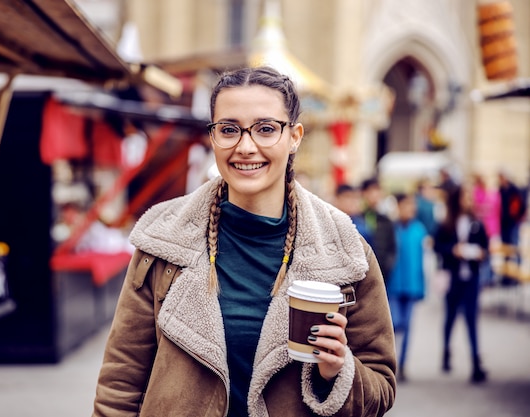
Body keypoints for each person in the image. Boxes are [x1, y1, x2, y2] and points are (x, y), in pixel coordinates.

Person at [92, 66, 396, 417]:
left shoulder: (346, 251)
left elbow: (382, 389)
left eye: (266, 129)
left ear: (294, 136)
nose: (246, 146)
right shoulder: (162, 242)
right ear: (212, 137)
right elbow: (120, 383)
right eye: (229, 130)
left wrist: (338, 371)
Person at [433, 186, 489, 384]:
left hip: (471, 279)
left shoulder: (477, 223)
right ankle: (446, 351)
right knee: (450, 317)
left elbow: (485, 247)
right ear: (456, 199)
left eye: (470, 197)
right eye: (465, 196)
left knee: (472, 320)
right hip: (453, 278)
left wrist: (481, 254)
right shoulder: (447, 224)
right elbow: (437, 246)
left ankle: (476, 363)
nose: (469, 200)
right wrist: (452, 250)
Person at [386, 193, 428, 382]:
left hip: (412, 286)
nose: (409, 210)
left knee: (408, 326)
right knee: (394, 324)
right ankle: (390, 363)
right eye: (406, 206)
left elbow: (422, 263)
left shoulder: (419, 231)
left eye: (412, 206)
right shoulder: (392, 229)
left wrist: (422, 288)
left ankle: (402, 364)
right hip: (394, 286)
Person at [360, 177, 397, 283]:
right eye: (371, 191)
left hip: (382, 273)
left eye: (377, 191)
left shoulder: (386, 221)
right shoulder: (358, 218)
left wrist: (386, 267)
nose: (375, 195)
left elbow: (392, 248)